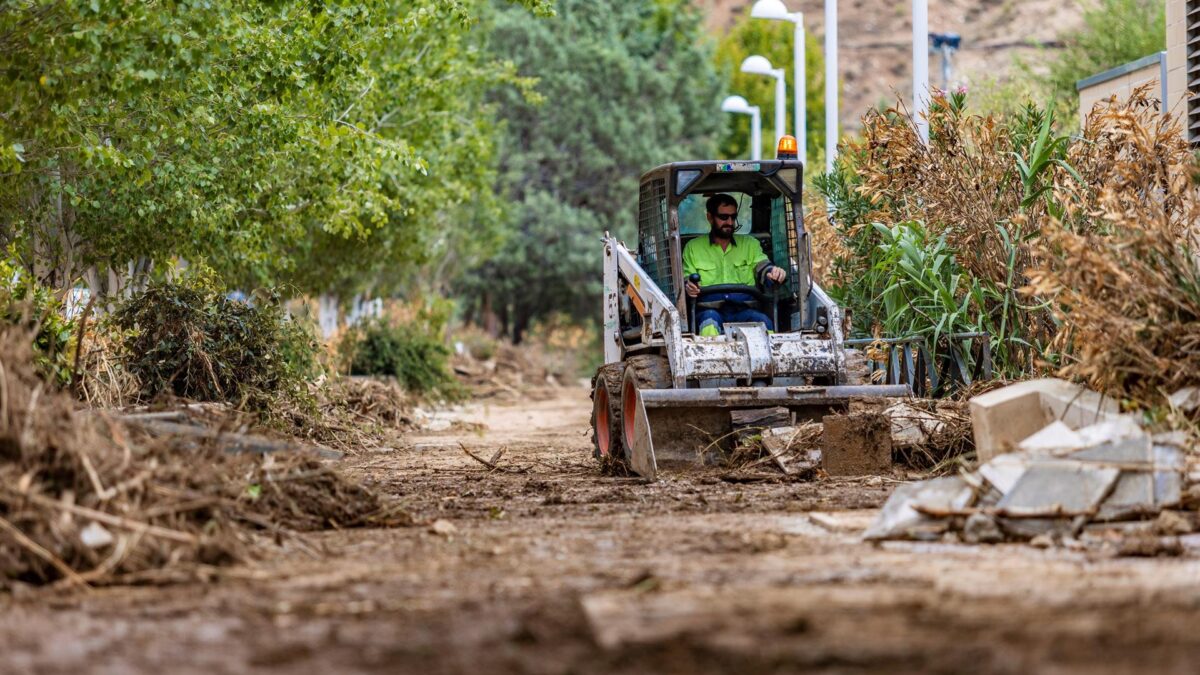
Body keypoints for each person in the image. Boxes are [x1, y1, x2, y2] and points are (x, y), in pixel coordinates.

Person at [682, 193, 787, 337]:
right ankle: (714, 359)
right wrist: (689, 286)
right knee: (709, 324)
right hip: (709, 311)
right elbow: (687, 280)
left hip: (744, 310)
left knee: (764, 322)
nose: (730, 222)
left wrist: (774, 273)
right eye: (724, 217)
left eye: (733, 217)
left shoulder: (750, 245)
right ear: (710, 217)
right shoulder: (693, 248)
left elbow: (764, 268)